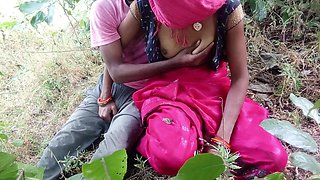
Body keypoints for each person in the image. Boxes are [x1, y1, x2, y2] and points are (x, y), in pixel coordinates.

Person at [36, 0, 212, 179]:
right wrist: (105, 95)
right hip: (114, 84)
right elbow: (114, 66)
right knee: (67, 138)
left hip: (147, 91)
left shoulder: (163, 5)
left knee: (113, 148)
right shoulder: (106, 8)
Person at [116, 0, 289, 178]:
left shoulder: (226, 7)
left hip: (214, 92)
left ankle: (196, 139)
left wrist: (221, 140)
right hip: (167, 92)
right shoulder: (147, 4)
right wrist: (105, 95)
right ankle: (156, 136)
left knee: (273, 158)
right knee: (171, 157)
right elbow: (113, 55)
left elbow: (240, 77)